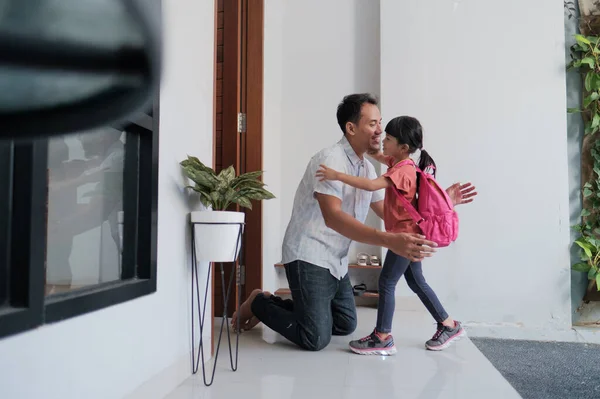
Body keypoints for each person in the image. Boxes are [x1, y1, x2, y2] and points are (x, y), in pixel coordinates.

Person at [232, 94, 477, 351]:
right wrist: (387, 239)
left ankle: (285, 306)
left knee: (345, 323)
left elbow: (391, 212)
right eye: (373, 124)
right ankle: (259, 302)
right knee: (314, 338)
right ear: (351, 128)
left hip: (336, 261)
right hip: (309, 255)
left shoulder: (367, 168)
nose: (380, 130)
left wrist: (442, 204)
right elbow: (334, 218)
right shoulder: (330, 160)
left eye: (380, 123)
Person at [316, 115, 465, 354]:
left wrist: (338, 175)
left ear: (403, 147)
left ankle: (382, 336)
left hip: (405, 237)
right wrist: (370, 144)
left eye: (388, 138)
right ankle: (448, 325)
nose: (383, 140)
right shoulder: (400, 163)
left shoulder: (402, 171)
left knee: (387, 282)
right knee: (417, 281)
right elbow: (378, 155)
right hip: (410, 234)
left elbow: (371, 185)